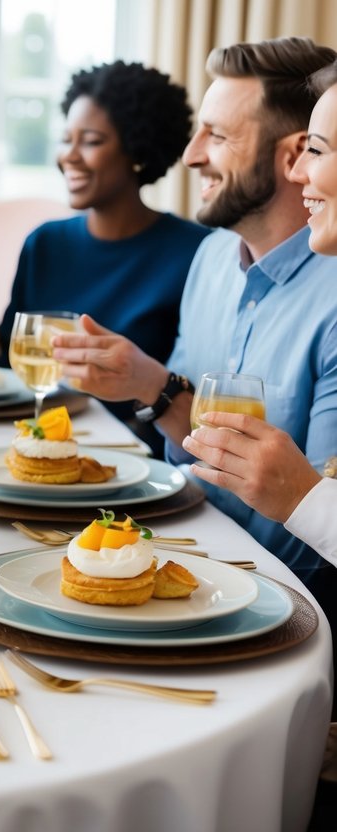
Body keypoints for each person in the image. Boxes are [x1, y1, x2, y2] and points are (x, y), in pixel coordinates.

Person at [53, 37, 337, 622]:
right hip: (182, 561)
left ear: (291, 157)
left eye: (219, 136)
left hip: (269, 607)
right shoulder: (210, 258)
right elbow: (210, 454)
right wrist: (150, 383)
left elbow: (316, 528)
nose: (190, 156)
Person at [0, 61, 211, 456]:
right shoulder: (44, 244)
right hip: (37, 449)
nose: (69, 156)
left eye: (90, 141)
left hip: (141, 463)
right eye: (65, 138)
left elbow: (198, 391)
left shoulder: (198, 253)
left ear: (137, 151)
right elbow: (10, 361)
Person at [184, 58, 337, 574]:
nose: (298, 174)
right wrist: (152, 388)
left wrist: (300, 497)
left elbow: (312, 546)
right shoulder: (209, 257)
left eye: (317, 151)